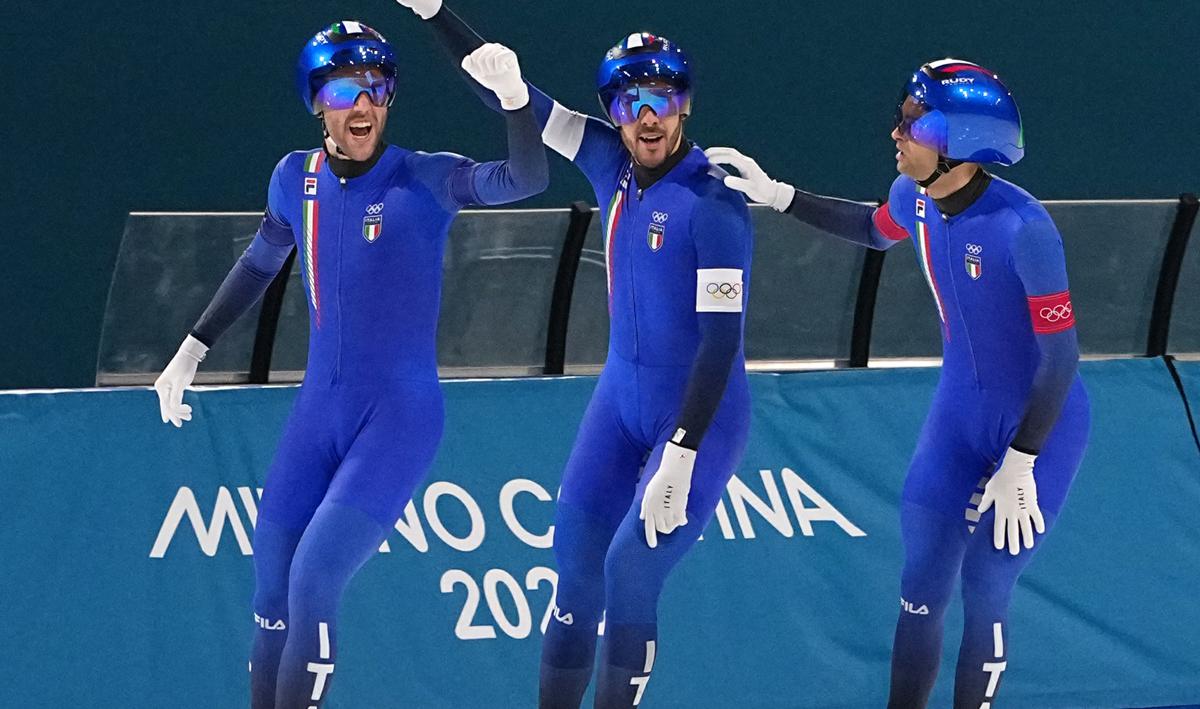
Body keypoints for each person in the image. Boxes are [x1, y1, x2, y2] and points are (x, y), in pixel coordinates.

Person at [152, 20, 547, 708]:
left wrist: (515, 103)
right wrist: (193, 347)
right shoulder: (293, 178)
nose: (362, 106)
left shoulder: (427, 178)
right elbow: (260, 262)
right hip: (319, 413)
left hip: (399, 420)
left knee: (314, 581)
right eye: (343, 91)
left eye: (375, 89)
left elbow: (526, 178)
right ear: (317, 102)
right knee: (271, 594)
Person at [392, 2, 754, 706]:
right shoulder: (607, 159)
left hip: (700, 418)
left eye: (661, 100)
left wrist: (683, 450)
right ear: (612, 113)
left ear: (685, 105)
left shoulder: (715, 204)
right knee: (575, 580)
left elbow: (722, 341)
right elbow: (509, 90)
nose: (646, 118)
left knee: (630, 574)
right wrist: (436, 13)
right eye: (629, 103)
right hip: (620, 402)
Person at [707, 58, 1090, 707]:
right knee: (920, 587)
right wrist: (779, 195)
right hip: (960, 417)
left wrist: (1023, 458)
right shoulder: (913, 197)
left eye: (917, 123)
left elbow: (1062, 357)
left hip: (1041, 428)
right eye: (902, 116)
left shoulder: (1024, 230)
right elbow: (871, 228)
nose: (897, 132)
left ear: (962, 143)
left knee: (985, 584)